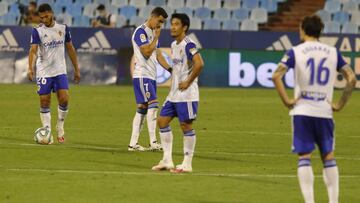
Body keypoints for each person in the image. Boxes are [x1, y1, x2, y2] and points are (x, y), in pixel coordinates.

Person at [272, 15, 356, 203]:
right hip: (324, 112)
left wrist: (287, 101)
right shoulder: (333, 52)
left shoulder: (296, 51)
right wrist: (339, 104)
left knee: (304, 156)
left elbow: (276, 75)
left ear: (302, 30)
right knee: (328, 156)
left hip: (302, 111)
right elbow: (351, 78)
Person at [152, 13, 204, 173]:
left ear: (184, 27)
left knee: (185, 125)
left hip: (187, 95)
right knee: (162, 121)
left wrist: (188, 81)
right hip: (174, 94)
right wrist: (162, 60)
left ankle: (187, 163)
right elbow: (176, 68)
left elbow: (199, 64)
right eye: (172, 24)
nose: (172, 27)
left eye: (176, 24)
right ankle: (167, 160)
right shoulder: (175, 45)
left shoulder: (189, 44)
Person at [27, 4, 81, 144]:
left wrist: (76, 69)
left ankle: (60, 125)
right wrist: (30, 68)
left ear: (51, 13)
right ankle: (47, 131)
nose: (44, 19)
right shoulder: (37, 31)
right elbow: (33, 50)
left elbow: (70, 49)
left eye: (46, 16)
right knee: (45, 101)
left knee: (64, 99)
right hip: (44, 71)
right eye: (41, 17)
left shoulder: (62, 29)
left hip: (59, 71)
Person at [129, 7, 171, 151]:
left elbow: (158, 54)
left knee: (142, 108)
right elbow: (146, 52)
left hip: (150, 76)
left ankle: (133, 144)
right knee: (153, 105)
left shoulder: (153, 33)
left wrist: (171, 69)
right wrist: (156, 37)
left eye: (163, 22)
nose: (160, 25)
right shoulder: (140, 32)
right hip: (142, 75)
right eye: (159, 21)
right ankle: (153, 142)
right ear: (153, 17)